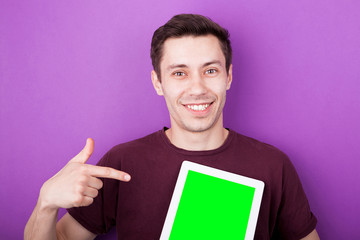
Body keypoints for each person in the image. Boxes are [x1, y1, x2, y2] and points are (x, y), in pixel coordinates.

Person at [24, 14, 320, 240]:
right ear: (158, 82)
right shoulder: (122, 163)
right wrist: (46, 204)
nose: (197, 88)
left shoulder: (272, 164)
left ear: (228, 77)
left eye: (211, 70)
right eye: (180, 73)